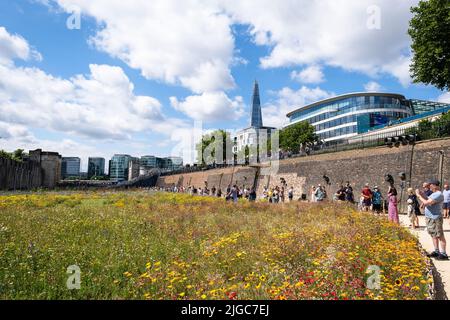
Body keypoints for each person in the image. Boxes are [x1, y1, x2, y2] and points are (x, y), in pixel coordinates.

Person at [416, 180, 448, 260]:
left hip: (435, 218)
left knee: (440, 236)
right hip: (430, 217)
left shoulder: (438, 194)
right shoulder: (434, 194)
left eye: (431, 185)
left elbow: (427, 203)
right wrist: (421, 193)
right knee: (433, 235)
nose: (429, 186)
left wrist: (418, 196)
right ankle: (436, 251)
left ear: (435, 186)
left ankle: (444, 254)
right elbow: (427, 198)